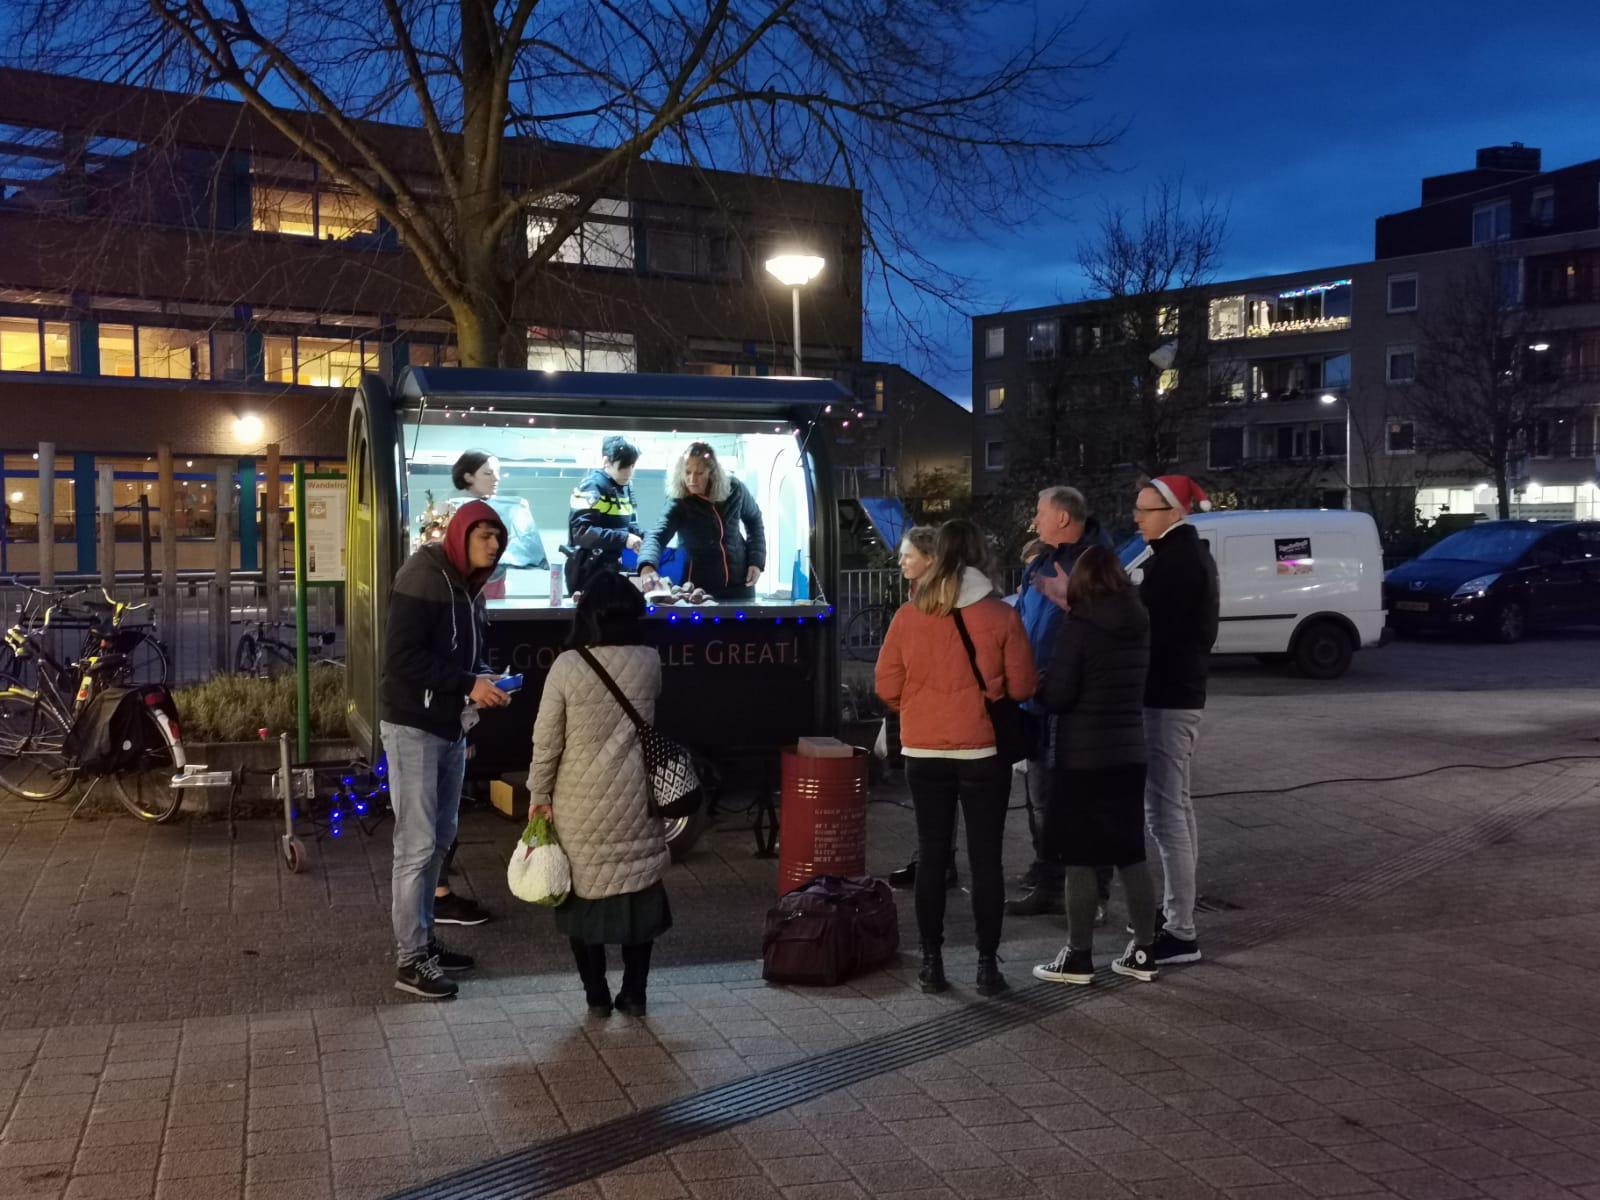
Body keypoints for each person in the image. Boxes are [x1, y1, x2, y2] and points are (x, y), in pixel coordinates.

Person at [875, 519, 1036, 997]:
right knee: (986, 860)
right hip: (984, 751)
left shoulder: (909, 617)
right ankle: (987, 965)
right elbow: (1025, 686)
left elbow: (886, 686)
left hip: (924, 753)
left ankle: (932, 963)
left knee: (932, 855)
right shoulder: (1001, 616)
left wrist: (922, 710)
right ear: (980, 559)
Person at [381, 500, 512, 999]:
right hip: (414, 725)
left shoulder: (468, 584)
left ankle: (425, 944)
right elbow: (401, 658)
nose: (494, 546)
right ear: (460, 534)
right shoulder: (423, 576)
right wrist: (467, 683)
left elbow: (463, 652)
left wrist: (483, 679)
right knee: (416, 845)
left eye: (498, 537)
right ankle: (410, 960)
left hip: (450, 724)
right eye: (484, 535)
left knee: (439, 839)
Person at [528, 571, 671, 1018]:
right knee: (638, 893)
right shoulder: (650, 661)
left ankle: (595, 994)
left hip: (580, 804)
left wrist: (538, 794)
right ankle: (635, 992)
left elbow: (547, 742)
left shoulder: (568, 666)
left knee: (583, 899)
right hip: (636, 800)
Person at [1030, 545, 1161, 987]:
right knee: (1130, 853)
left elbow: (1061, 693)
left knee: (1080, 857)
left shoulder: (1080, 626)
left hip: (1083, 758)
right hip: (1129, 754)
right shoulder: (1138, 620)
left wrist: (1040, 687)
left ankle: (1078, 956)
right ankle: (1145, 949)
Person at [1007, 486, 1114, 918]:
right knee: (1039, 797)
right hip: (1034, 702)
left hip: (1070, 706)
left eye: (1039, 513)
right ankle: (1048, 879)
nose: (1034, 521)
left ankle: (1094, 888)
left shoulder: (1095, 566)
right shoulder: (1039, 562)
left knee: (1078, 801)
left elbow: (1104, 631)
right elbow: (1024, 621)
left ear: (1064, 519)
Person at [1129, 474, 1220, 966]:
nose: (1137, 518)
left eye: (1145, 509)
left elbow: (1148, 632)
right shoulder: (1185, 557)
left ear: (1173, 513)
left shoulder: (1175, 563)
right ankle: (1176, 916)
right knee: (1176, 808)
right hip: (1178, 694)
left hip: (1166, 698)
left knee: (1165, 814)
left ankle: (1181, 930)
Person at [884, 526, 959, 894]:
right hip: (956, 722)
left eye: (908, 555)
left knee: (933, 802)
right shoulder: (952, 598)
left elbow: (888, 679)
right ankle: (938, 860)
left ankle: (936, 864)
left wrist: (908, 703)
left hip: (931, 726)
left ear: (930, 559)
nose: (901, 561)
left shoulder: (921, 609)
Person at [637, 442, 766, 601]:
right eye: (687, 472)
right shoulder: (678, 502)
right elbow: (657, 535)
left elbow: (754, 519)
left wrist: (756, 561)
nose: (692, 479)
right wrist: (647, 566)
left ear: (711, 473)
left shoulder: (735, 488)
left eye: (699, 473)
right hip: (698, 590)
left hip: (741, 585)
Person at [566, 435, 644, 593]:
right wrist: (625, 538)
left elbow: (630, 527)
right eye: (623, 466)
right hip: (587, 571)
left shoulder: (627, 487)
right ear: (606, 461)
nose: (629, 472)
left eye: (632, 465)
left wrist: (647, 538)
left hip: (613, 568)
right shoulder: (591, 486)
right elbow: (581, 533)